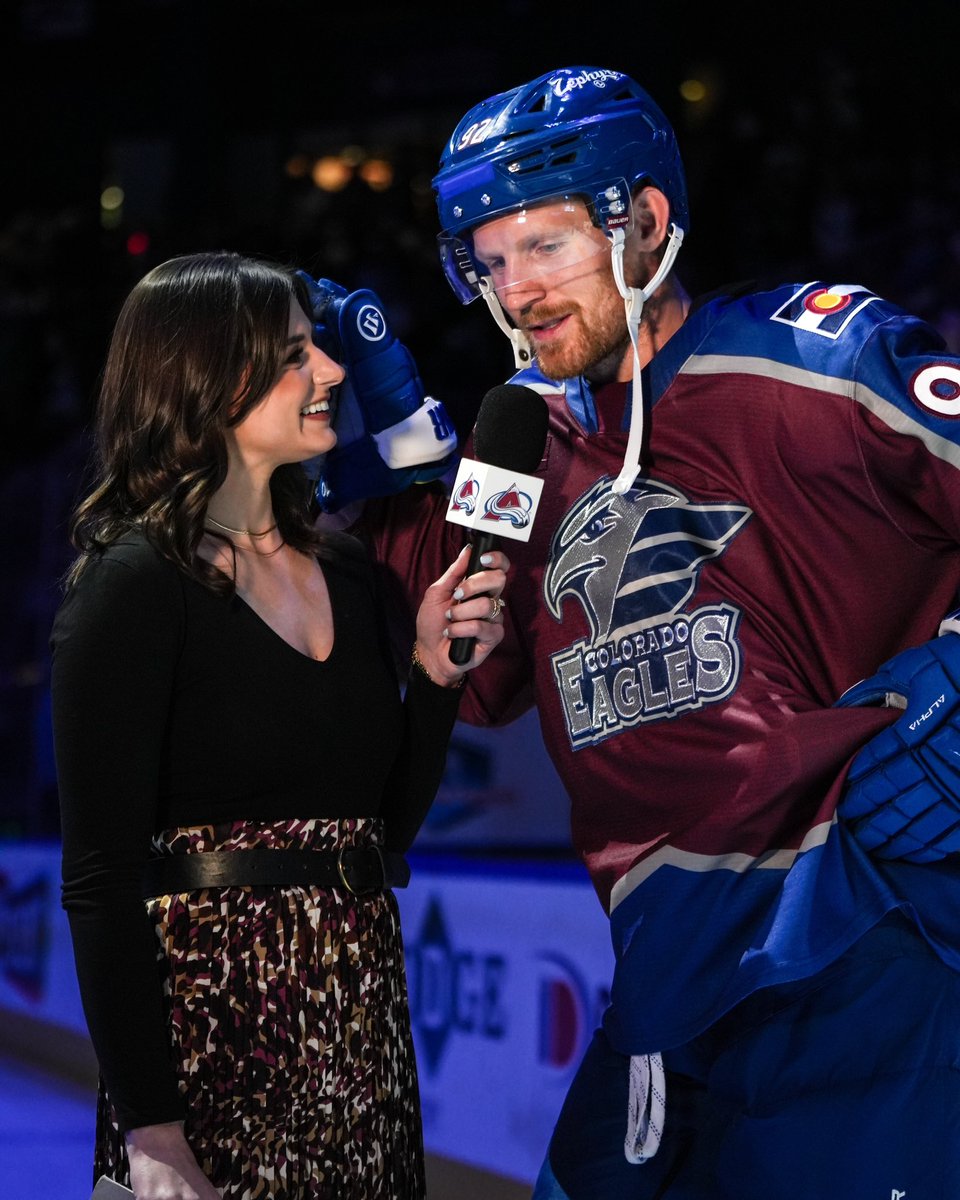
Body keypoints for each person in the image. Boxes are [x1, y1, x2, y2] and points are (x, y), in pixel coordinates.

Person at [305, 66, 960, 1198]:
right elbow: (467, 662)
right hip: (667, 984)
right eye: (490, 261)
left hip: (870, 952)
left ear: (646, 221)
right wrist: (382, 458)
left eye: (545, 248)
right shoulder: (522, 452)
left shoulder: (819, 360)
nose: (516, 292)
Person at [49, 250, 510, 1200]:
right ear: (209, 377)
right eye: (298, 354)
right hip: (210, 1051)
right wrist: (152, 1129)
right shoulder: (133, 585)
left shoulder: (348, 573)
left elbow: (379, 833)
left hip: (361, 1034)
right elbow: (99, 882)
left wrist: (432, 675)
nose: (333, 372)